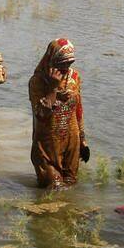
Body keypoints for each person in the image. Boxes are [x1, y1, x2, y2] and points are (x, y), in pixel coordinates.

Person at [28, 39, 89, 188]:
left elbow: (78, 109)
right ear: (52, 60)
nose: (65, 68)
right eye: (61, 63)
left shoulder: (74, 77)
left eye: (69, 63)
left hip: (71, 142)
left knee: (71, 186)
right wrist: (53, 89)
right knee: (54, 189)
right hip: (47, 146)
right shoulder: (37, 82)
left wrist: (82, 139)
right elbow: (41, 114)